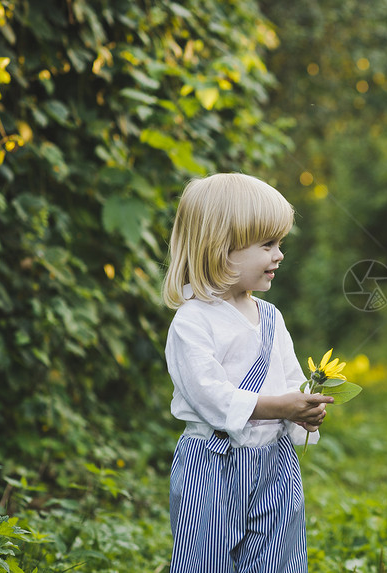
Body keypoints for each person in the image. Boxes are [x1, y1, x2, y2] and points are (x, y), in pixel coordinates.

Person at [161, 173, 333, 572]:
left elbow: (290, 378)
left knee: (278, 556)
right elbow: (209, 396)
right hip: (212, 467)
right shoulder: (193, 323)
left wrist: (304, 410)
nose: (279, 255)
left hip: (275, 462)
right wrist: (281, 406)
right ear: (221, 248)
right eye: (267, 244)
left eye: (280, 244)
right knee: (206, 559)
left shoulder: (271, 317)